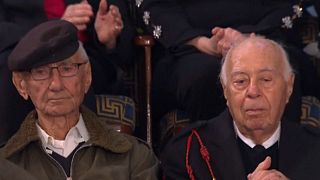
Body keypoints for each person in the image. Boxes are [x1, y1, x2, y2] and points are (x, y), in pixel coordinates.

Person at [139, 0, 320, 147]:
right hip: (191, 48)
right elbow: (155, 6)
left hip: (264, 37)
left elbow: (288, 5)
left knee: (275, 69)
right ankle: (215, 167)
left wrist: (248, 39)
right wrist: (203, 43)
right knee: (206, 76)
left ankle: (280, 166)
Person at [0, 20, 159, 179]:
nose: (56, 84)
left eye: (67, 69)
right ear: (22, 86)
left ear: (87, 77)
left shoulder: (133, 157)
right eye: (41, 72)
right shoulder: (6, 166)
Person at [160, 36, 320, 179]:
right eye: (240, 81)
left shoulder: (315, 148)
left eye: (265, 79)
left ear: (289, 86)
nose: (253, 92)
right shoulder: (188, 152)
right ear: (225, 90)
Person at [0, 0, 134, 145]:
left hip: (86, 57)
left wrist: (108, 40)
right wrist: (51, 33)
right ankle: (10, 159)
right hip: (21, 53)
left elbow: (127, 39)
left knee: (72, 68)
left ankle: (78, 158)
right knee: (13, 72)